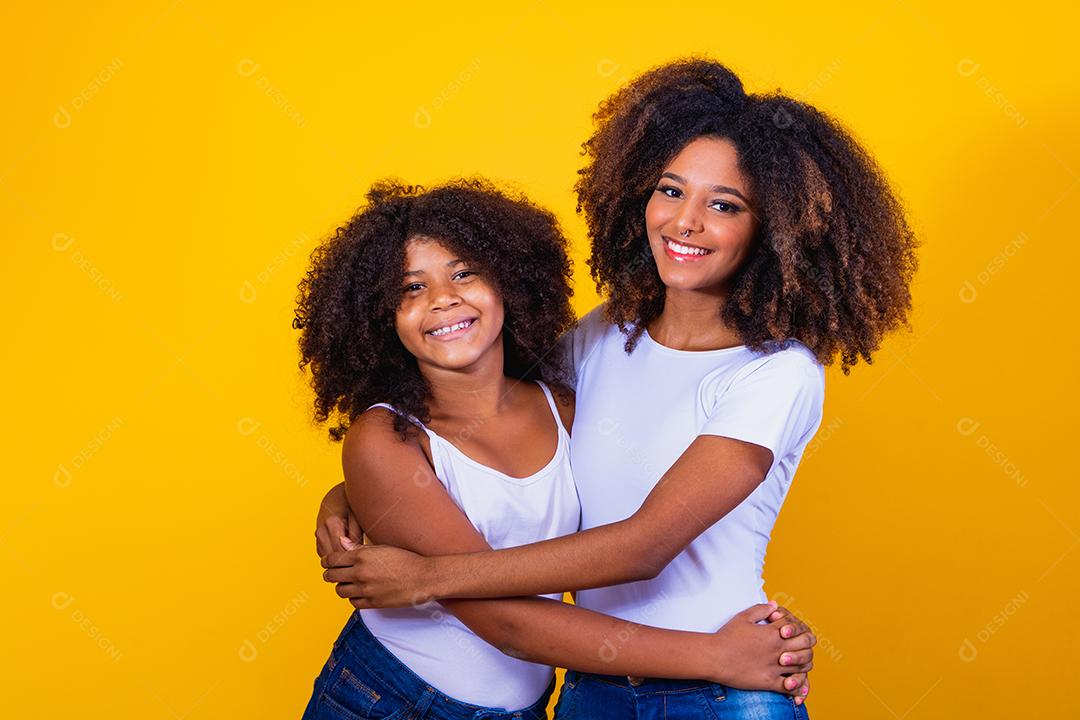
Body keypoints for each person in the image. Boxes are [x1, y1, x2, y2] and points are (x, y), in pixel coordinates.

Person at [318, 57, 917, 718]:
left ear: (774, 230)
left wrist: (427, 575)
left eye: (724, 205)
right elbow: (483, 424)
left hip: (723, 683)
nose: (685, 221)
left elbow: (645, 546)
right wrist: (359, 491)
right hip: (588, 691)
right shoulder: (602, 337)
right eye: (671, 190)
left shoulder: (776, 372)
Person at [298, 177, 816, 720]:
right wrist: (357, 488)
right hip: (394, 700)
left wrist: (408, 556)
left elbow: (633, 532)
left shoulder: (563, 403)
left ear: (509, 281)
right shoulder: (390, 441)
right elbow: (507, 625)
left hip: (534, 705)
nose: (444, 298)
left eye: (464, 273)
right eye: (411, 288)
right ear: (379, 317)